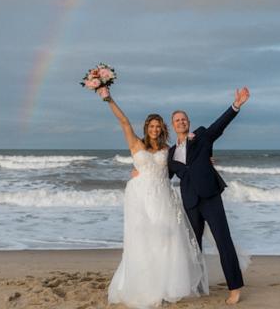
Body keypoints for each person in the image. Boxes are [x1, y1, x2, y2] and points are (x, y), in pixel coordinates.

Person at [95, 87, 208, 308]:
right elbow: (124, 121)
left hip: (163, 196)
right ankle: (145, 284)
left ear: (162, 129)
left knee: (166, 239)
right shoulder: (136, 143)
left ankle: (166, 285)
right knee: (143, 239)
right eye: (152, 126)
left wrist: (206, 160)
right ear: (147, 128)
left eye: (158, 126)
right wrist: (109, 99)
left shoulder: (168, 149)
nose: (155, 129)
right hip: (140, 197)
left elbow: (186, 161)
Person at [168, 87, 250, 305]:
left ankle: (235, 287)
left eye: (183, 119)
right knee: (193, 247)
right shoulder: (169, 153)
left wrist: (236, 106)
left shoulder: (203, 136)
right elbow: (162, 176)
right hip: (190, 203)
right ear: (172, 125)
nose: (181, 122)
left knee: (224, 242)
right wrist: (140, 171)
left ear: (188, 122)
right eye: (177, 120)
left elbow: (219, 126)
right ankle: (197, 284)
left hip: (210, 197)